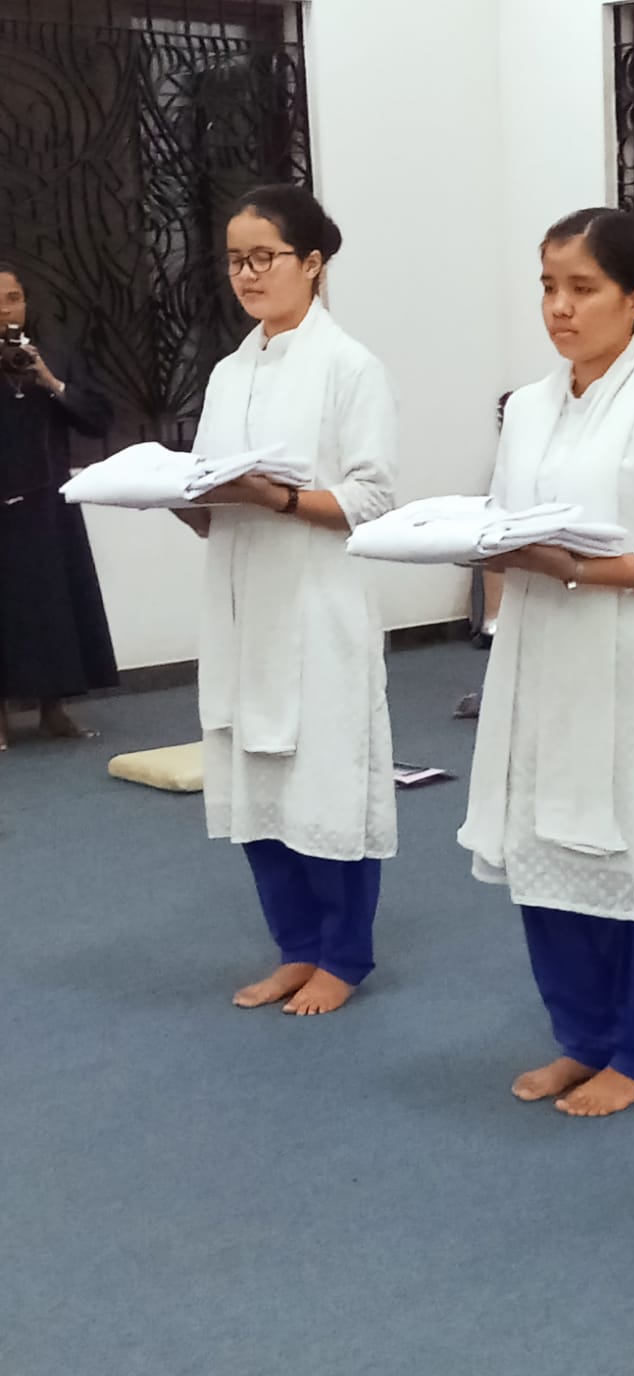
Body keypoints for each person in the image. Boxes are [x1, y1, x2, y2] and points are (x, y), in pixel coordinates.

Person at [458, 207, 634, 1117]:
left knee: (631, 854)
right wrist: (492, 557)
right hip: (537, 651)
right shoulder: (528, 408)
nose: (560, 307)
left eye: (582, 288)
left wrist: (569, 566)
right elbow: (504, 521)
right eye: (548, 287)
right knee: (542, 847)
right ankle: (580, 1038)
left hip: (623, 660)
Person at [176, 186, 398, 1016]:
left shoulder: (351, 367)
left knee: (326, 780)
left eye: (263, 257)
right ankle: (295, 948)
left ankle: (344, 956)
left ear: (312, 264)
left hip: (316, 602)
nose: (247, 274)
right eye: (235, 259)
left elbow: (373, 500)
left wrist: (275, 498)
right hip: (241, 602)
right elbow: (212, 496)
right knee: (255, 783)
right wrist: (179, 499)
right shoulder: (230, 372)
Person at [0, 261, 118, 748]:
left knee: (55, 607)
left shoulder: (50, 356)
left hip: (47, 504)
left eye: (13, 299)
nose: (6, 310)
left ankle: (54, 711)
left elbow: (97, 419)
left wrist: (49, 380)